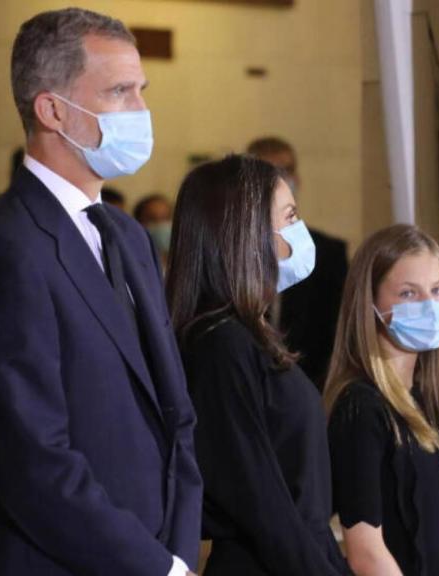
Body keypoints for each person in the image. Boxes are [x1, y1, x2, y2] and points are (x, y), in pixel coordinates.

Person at [0, 9, 201, 576]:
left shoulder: (127, 235)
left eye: (142, 90)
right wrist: (152, 566)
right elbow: (32, 460)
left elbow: (175, 417)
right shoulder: (4, 249)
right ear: (52, 109)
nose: (141, 110)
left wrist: (177, 556)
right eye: (119, 92)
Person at [166, 155, 349, 576]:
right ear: (246, 235)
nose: (299, 232)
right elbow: (261, 500)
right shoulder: (221, 344)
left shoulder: (246, 335)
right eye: (289, 217)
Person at [324, 224, 439, 576]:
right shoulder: (361, 406)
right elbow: (366, 552)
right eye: (408, 294)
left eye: (437, 291)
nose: (429, 305)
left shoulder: (428, 401)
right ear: (370, 304)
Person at [247, 137, 348, 390]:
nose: (280, 179)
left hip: (309, 387)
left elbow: (336, 333)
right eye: (269, 171)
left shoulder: (327, 253)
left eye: (286, 170)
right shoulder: (233, 253)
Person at [133, 193, 172, 263]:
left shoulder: (185, 261)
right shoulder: (133, 263)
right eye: (152, 219)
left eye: (166, 218)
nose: (161, 224)